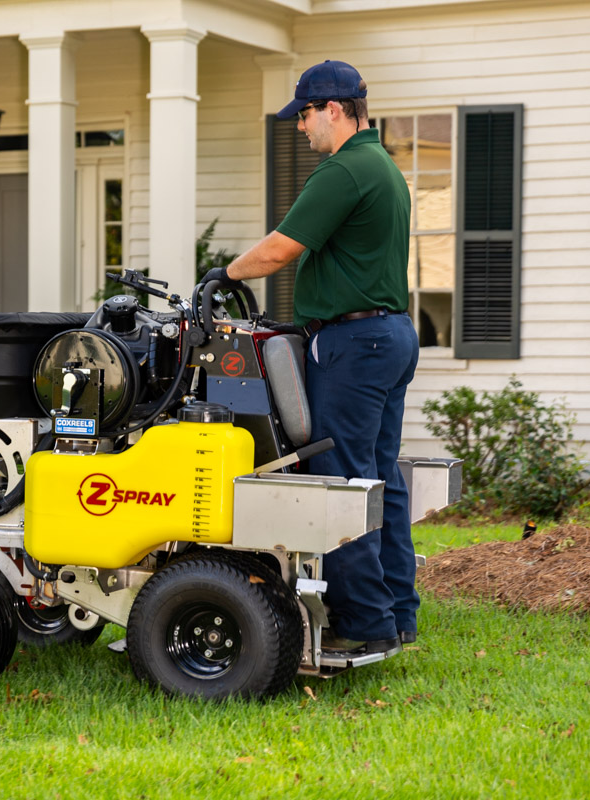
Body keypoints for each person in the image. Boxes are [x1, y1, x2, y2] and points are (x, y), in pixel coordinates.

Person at [204, 60, 419, 655]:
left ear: (333, 109)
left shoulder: (345, 170)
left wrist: (222, 274)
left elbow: (279, 250)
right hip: (391, 335)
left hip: (355, 344)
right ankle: (398, 612)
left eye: (304, 114)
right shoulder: (384, 168)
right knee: (380, 480)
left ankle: (364, 623)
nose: (300, 127)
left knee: (341, 483)